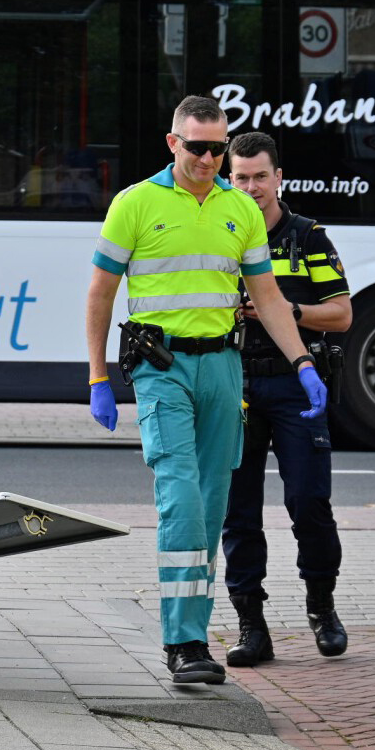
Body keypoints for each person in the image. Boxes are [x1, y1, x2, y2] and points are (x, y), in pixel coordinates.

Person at [86, 96, 329, 685]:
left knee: (214, 505)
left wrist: (302, 362)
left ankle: (194, 633)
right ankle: (184, 643)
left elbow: (267, 297)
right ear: (173, 143)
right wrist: (97, 376)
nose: (210, 159)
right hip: (161, 366)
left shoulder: (239, 209)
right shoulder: (135, 203)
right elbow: (100, 294)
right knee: (183, 500)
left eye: (219, 148)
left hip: (223, 368)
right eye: (198, 147)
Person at [221, 132, 352, 666]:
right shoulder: (218, 235)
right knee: (238, 511)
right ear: (229, 180)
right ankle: (251, 625)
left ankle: (322, 607)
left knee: (309, 503)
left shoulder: (308, 237)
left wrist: (285, 310)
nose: (251, 187)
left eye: (260, 176)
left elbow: (342, 314)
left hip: (295, 384)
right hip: (233, 384)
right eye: (241, 178)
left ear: (279, 178)